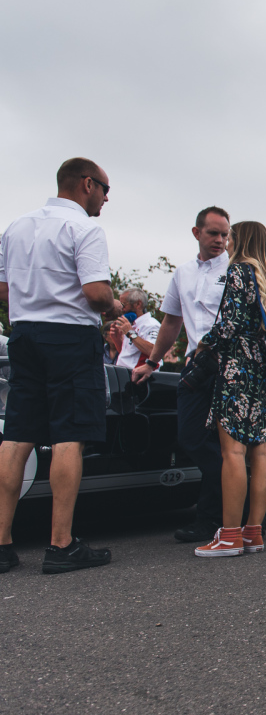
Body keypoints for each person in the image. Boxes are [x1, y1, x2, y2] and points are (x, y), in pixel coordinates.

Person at [0, 158, 122, 574]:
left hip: (25, 333)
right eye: (105, 190)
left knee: (17, 435)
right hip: (69, 337)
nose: (106, 199)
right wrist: (115, 303)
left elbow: (3, 287)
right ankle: (61, 544)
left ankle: (1, 543)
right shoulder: (84, 228)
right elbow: (95, 293)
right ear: (88, 184)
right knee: (69, 435)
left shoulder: (17, 226)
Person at [132, 206, 231, 543]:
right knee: (191, 438)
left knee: (228, 444)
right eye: (213, 233)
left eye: (224, 234)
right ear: (196, 233)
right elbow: (171, 322)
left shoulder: (236, 269)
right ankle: (232, 497)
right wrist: (153, 362)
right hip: (195, 365)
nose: (219, 240)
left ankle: (212, 521)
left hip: (229, 365)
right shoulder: (183, 272)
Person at [192, 221, 266, 558]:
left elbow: (228, 324)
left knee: (231, 451)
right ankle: (252, 533)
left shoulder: (238, 272)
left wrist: (203, 346)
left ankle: (229, 535)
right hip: (262, 370)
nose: (226, 242)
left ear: (240, 239)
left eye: (230, 236)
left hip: (237, 368)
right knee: (259, 450)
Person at [109, 288, 160, 369]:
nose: (122, 309)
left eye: (124, 305)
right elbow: (128, 355)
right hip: (123, 371)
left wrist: (131, 333)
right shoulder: (131, 325)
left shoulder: (151, 324)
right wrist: (116, 339)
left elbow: (154, 351)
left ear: (138, 304)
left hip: (138, 375)